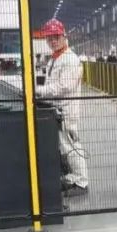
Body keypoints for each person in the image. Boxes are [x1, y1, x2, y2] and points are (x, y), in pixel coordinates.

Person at [34, 19, 89, 197]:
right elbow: (50, 82)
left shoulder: (70, 60)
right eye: (49, 38)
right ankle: (73, 177)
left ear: (64, 36)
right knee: (65, 147)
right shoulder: (55, 58)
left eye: (56, 37)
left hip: (66, 111)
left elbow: (63, 86)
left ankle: (81, 183)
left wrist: (38, 91)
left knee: (72, 147)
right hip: (57, 109)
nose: (52, 41)